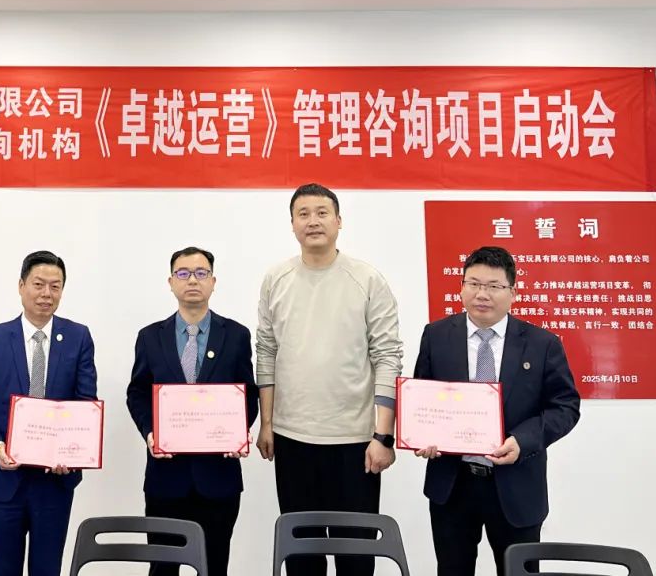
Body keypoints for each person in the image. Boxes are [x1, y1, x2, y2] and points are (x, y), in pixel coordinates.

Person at [255, 183, 404, 576]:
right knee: (301, 555)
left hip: (354, 442)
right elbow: (266, 351)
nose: (313, 221)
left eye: (322, 213)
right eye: (303, 214)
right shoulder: (276, 279)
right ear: (292, 224)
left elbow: (388, 356)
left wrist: (383, 435)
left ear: (339, 221)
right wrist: (267, 423)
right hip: (292, 438)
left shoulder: (367, 279)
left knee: (355, 554)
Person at [413, 245, 580, 576]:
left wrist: (522, 440)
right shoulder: (437, 335)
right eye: (473, 284)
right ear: (461, 287)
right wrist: (424, 435)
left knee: (518, 571)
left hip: (517, 485)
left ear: (513, 292)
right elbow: (423, 396)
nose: (482, 294)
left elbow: (565, 406)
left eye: (493, 286)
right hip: (453, 485)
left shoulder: (542, 343)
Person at [126, 246, 259, 576]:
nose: (192, 280)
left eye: (201, 273)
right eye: (183, 273)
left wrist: (238, 430)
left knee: (215, 565)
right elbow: (138, 393)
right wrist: (150, 432)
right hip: (166, 477)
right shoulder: (150, 337)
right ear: (171, 282)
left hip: (218, 477)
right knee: (163, 567)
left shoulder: (236, 335)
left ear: (213, 281)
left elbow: (248, 394)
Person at [0, 250, 98, 576]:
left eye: (55, 286)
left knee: (47, 569)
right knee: (2, 569)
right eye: (38, 284)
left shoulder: (78, 337)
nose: (46, 294)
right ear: (21, 286)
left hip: (55, 481)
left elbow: (85, 402)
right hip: (2, 477)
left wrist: (72, 452)